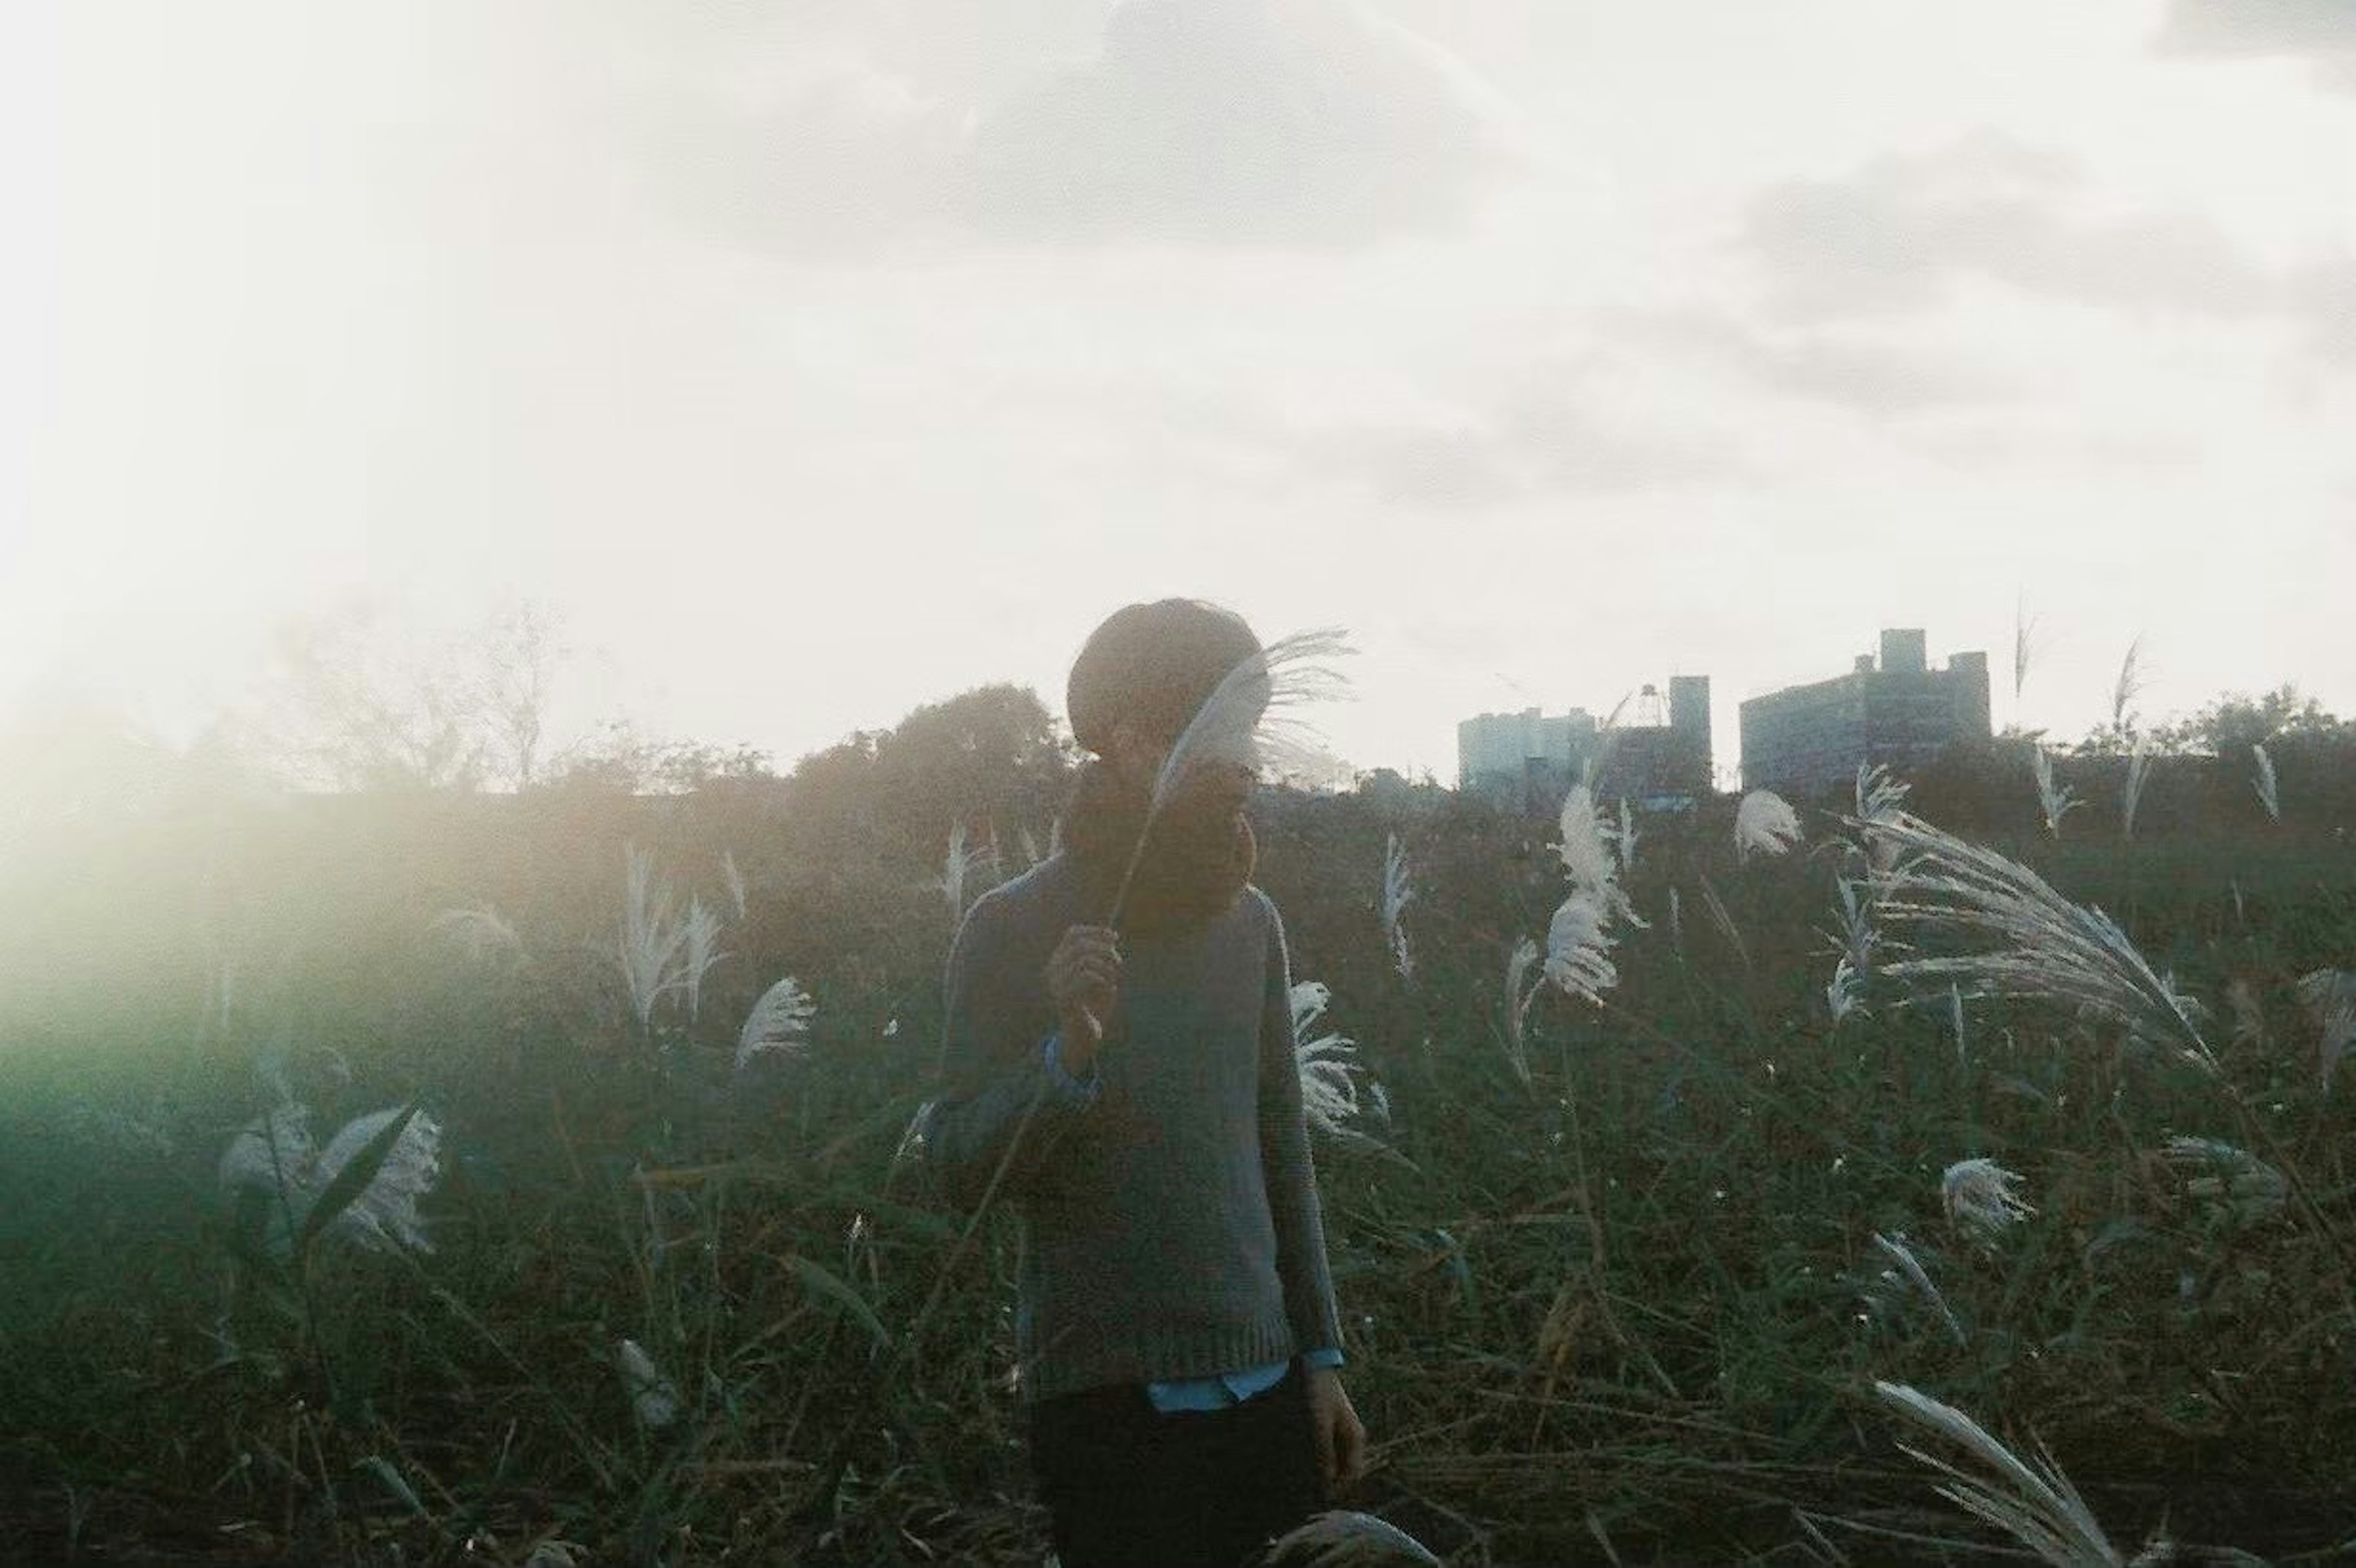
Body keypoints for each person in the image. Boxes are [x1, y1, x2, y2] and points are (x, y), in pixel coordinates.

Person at [917, 599, 1367, 1568]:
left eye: (1250, 730)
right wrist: (1066, 1057)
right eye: (1225, 731)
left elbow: (1280, 1149)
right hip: (1105, 1403)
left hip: (1268, 1388)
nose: (1248, 761)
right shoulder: (1012, 927)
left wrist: (1320, 1362)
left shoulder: (1251, 924)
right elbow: (953, 1162)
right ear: (1130, 738)